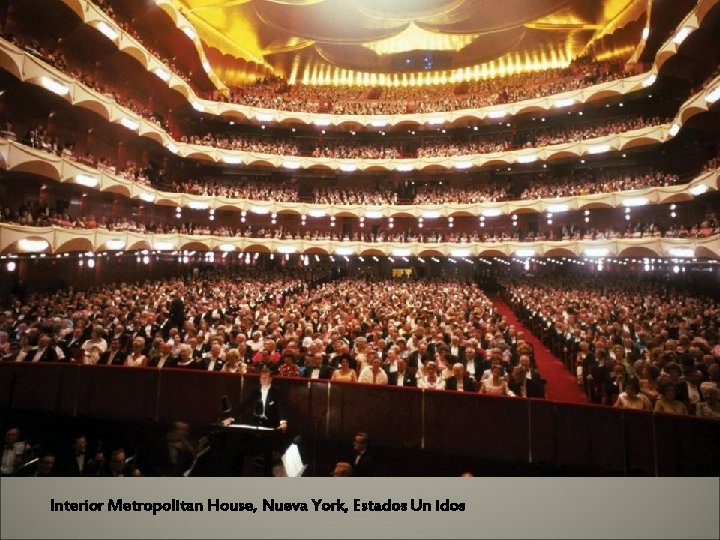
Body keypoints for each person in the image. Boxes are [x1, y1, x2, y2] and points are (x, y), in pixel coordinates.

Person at [221, 369, 288, 476]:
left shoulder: (277, 391)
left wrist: (283, 421)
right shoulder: (255, 390)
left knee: (269, 447)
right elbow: (244, 404)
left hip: (271, 424)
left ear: (271, 379)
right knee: (242, 442)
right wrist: (231, 418)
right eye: (261, 377)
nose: (263, 380)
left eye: (265, 378)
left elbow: (281, 407)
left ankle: (268, 472)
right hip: (257, 422)